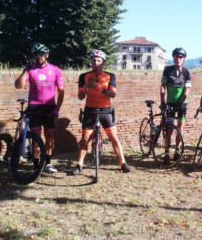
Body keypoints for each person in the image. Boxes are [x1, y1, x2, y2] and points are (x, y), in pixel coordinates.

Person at [72, 50, 131, 175]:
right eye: (93, 60)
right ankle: (79, 165)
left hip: (106, 110)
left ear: (103, 62)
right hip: (89, 110)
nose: (95, 63)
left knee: (114, 138)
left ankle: (123, 163)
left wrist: (102, 90)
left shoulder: (110, 76)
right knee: (85, 138)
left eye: (98, 60)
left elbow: (113, 94)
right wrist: (84, 89)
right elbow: (80, 97)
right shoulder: (84, 76)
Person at [15, 43, 64, 173]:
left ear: (46, 55)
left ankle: (48, 163)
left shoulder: (55, 69)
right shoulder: (30, 69)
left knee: (49, 137)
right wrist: (26, 69)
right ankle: (36, 166)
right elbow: (18, 86)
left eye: (41, 54)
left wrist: (57, 110)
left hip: (49, 108)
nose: (38, 57)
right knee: (36, 139)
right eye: (36, 54)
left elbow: (61, 92)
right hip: (34, 107)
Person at [160, 48, 192, 165]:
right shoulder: (167, 70)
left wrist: (179, 105)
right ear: (173, 58)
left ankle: (177, 151)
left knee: (180, 129)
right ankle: (167, 152)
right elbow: (163, 87)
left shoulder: (187, 72)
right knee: (168, 128)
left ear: (184, 59)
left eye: (180, 57)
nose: (178, 59)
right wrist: (163, 102)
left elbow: (186, 92)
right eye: (176, 57)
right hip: (170, 103)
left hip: (182, 104)